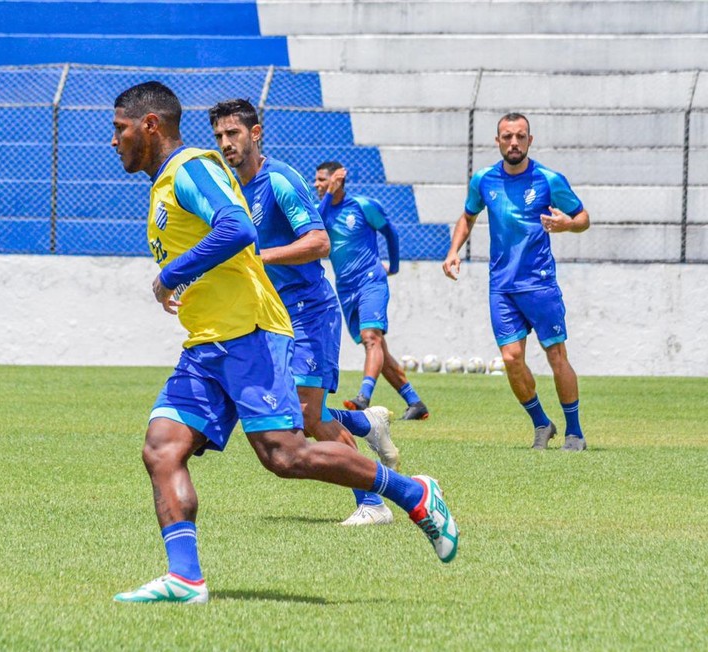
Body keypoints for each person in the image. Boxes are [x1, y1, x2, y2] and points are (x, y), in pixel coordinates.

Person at [110, 81, 459, 604]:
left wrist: (171, 274)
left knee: (286, 455)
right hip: (207, 343)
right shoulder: (166, 183)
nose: (114, 141)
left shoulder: (192, 169)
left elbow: (236, 230)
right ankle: (185, 578)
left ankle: (413, 494)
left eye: (120, 130)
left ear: (150, 125)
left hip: (249, 334)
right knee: (161, 448)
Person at [208, 99, 400, 527]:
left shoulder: (279, 180)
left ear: (255, 134)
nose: (225, 143)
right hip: (270, 316)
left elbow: (318, 243)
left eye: (233, 134)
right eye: (219, 136)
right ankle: (365, 424)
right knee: (293, 412)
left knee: (307, 416)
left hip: (309, 311)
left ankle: (373, 503)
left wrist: (261, 257)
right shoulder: (231, 188)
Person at [442, 112, 590, 452]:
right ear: (497, 141)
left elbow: (583, 217)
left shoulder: (549, 180)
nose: (514, 142)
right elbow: (468, 216)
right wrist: (453, 251)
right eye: (507, 136)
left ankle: (575, 431)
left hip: (539, 285)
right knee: (511, 359)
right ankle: (541, 423)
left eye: (520, 136)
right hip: (502, 287)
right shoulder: (483, 180)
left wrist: (568, 225)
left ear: (530, 140)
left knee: (556, 356)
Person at [313, 163, 430, 421]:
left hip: (370, 281)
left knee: (371, 338)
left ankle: (363, 397)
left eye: (321, 179)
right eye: (317, 180)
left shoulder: (363, 206)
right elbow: (315, 229)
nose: (316, 184)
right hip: (345, 289)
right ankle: (415, 403)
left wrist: (395, 267)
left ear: (337, 179)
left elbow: (391, 233)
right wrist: (330, 194)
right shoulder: (321, 211)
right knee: (379, 350)